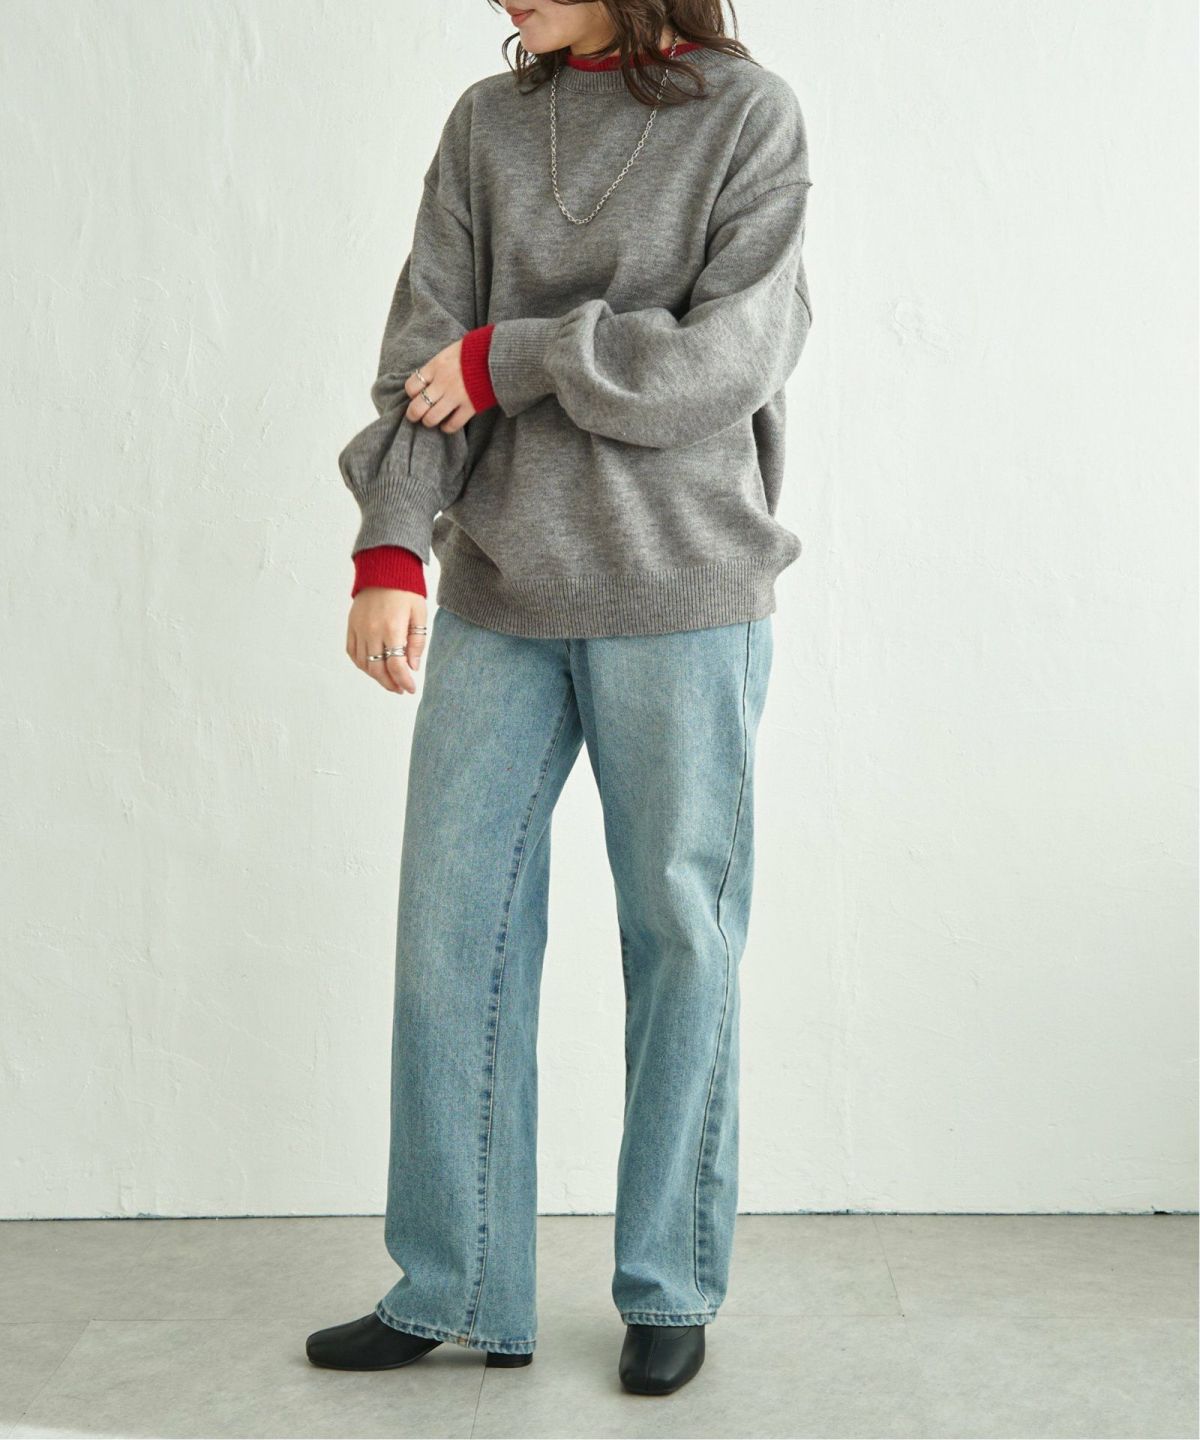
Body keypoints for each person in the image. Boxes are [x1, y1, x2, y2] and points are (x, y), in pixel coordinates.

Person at [305, 0, 813, 1398]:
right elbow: (424, 351)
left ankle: (669, 1283)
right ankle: (451, 1281)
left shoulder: (749, 117)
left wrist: (512, 357)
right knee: (449, 930)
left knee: (681, 935)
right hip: (502, 592)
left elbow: (720, 365)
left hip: (685, 595)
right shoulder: (487, 123)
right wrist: (391, 545)